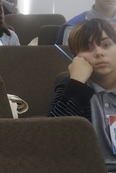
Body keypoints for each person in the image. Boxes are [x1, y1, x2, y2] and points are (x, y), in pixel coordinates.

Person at [47, 18, 116, 171]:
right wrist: (77, 83)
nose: (99, 53)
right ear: (76, 59)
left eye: (107, 45)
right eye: (87, 48)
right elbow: (54, 137)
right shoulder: (71, 86)